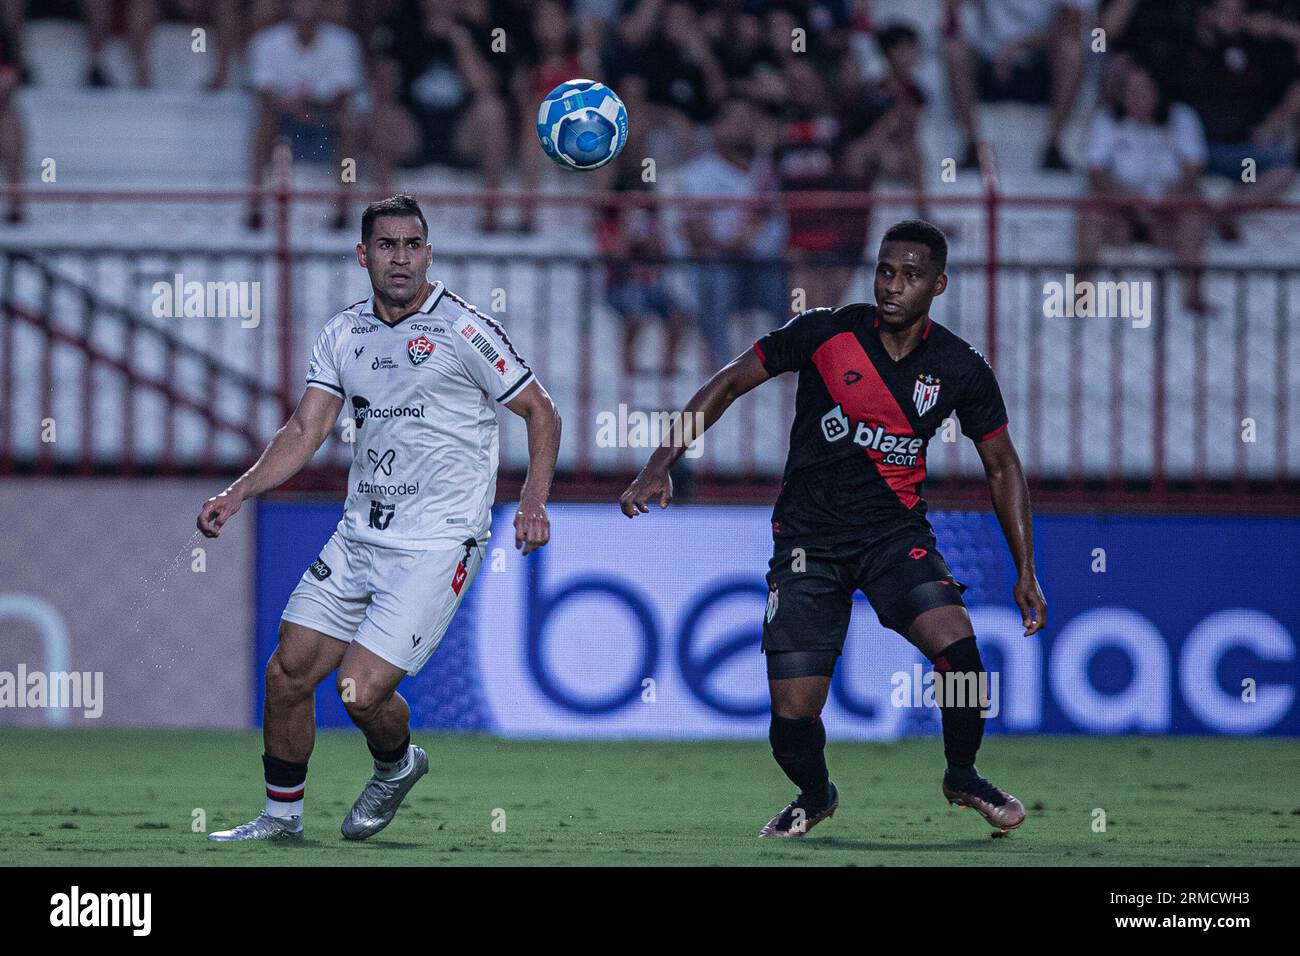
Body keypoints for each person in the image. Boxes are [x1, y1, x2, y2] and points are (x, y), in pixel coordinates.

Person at [619, 220, 1046, 838]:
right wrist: (661, 462)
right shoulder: (825, 331)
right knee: (792, 718)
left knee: (962, 656)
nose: (893, 286)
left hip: (894, 537)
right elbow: (730, 381)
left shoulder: (959, 368)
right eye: (885, 271)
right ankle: (815, 793)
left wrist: (1025, 570)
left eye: (911, 275)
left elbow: (1003, 465)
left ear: (940, 284)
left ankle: (962, 773)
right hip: (807, 544)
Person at [198, 195, 561, 842]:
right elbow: (307, 428)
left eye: (413, 244)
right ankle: (281, 819)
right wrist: (240, 491)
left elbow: (541, 410)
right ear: (363, 254)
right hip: (360, 531)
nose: (401, 258)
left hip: (438, 541)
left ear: (429, 252)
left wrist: (532, 501)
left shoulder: (464, 329)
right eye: (387, 245)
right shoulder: (343, 333)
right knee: (286, 675)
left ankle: (396, 765)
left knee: (358, 693)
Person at [1078, 63, 1211, 312]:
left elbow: (1192, 171)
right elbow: (1097, 173)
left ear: (1159, 91)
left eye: (1144, 90)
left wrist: (1160, 201)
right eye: (1130, 90)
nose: (1137, 97)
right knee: (1090, 210)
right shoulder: (1106, 119)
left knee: (1196, 210)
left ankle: (1192, 297)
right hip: (1121, 213)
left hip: (1168, 213)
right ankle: (1082, 295)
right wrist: (1132, 202)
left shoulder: (1182, 117)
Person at [244, 0, 365, 231]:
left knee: (349, 124)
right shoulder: (266, 41)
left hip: (324, 116)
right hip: (284, 119)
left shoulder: (344, 41)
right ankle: (256, 203)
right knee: (262, 123)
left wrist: (312, 106)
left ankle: (343, 203)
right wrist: (291, 107)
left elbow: (344, 92)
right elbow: (264, 93)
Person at [943, 0, 1091, 170]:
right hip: (990, 63)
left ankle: (1053, 146)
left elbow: (1071, 26)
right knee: (954, 51)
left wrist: (1016, 46)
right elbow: (951, 9)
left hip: (1038, 66)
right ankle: (971, 146)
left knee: (1072, 52)